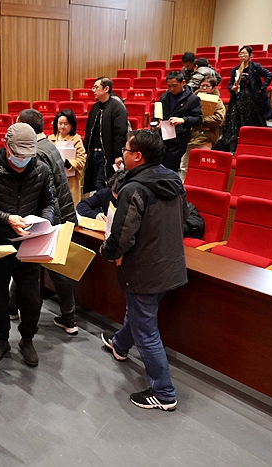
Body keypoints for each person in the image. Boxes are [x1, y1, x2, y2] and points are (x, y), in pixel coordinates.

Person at [100, 130, 188, 412]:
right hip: (171, 265)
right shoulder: (174, 180)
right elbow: (185, 217)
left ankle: (164, 392)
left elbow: (122, 236)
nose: (122, 155)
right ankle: (119, 345)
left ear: (137, 156)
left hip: (144, 270)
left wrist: (106, 252)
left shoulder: (133, 189)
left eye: (126, 151)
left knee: (146, 330)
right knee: (140, 314)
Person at [0, 123, 56, 366]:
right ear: (6, 146)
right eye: (18, 154)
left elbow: (50, 202)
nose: (22, 160)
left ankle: (27, 339)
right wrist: (7, 218)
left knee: (31, 299)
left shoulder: (41, 170)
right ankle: (1, 340)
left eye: (27, 156)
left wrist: (44, 222)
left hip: (29, 245)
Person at [17, 109, 79, 335]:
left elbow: (41, 192)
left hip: (51, 217)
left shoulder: (37, 152)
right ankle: (12, 306)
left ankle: (69, 318)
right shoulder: (49, 146)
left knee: (53, 268)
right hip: (61, 212)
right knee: (25, 261)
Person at [216, 46, 272, 152]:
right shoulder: (235, 69)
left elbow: (269, 75)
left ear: (250, 55)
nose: (242, 55)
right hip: (238, 98)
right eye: (240, 53)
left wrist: (262, 88)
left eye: (244, 53)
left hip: (252, 98)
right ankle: (233, 146)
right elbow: (230, 84)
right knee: (234, 121)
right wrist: (232, 88)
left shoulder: (255, 66)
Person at [83, 77, 128, 192]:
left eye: (96, 87)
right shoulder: (95, 107)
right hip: (93, 153)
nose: (93, 90)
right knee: (94, 183)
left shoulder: (117, 107)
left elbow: (120, 132)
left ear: (106, 89)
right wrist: (86, 150)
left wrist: (118, 154)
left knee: (103, 184)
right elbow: (88, 130)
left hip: (108, 154)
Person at [180, 77, 226, 181]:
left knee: (201, 166)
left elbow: (219, 118)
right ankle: (183, 187)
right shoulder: (192, 99)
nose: (204, 88)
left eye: (207, 86)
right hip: (190, 136)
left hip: (205, 137)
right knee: (184, 166)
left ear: (213, 88)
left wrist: (198, 121)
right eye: (202, 85)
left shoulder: (217, 101)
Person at [157, 71, 203, 172]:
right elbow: (158, 113)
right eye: (169, 86)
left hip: (179, 138)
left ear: (183, 83)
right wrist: (156, 122)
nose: (172, 89)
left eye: (174, 86)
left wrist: (183, 120)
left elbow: (199, 119)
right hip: (163, 136)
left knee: (171, 168)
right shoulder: (164, 96)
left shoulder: (193, 99)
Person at [47, 109, 88, 205]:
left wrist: (66, 162)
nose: (62, 126)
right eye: (60, 123)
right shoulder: (50, 138)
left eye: (66, 124)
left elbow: (81, 161)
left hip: (70, 180)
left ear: (72, 125)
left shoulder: (76, 139)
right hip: (54, 180)